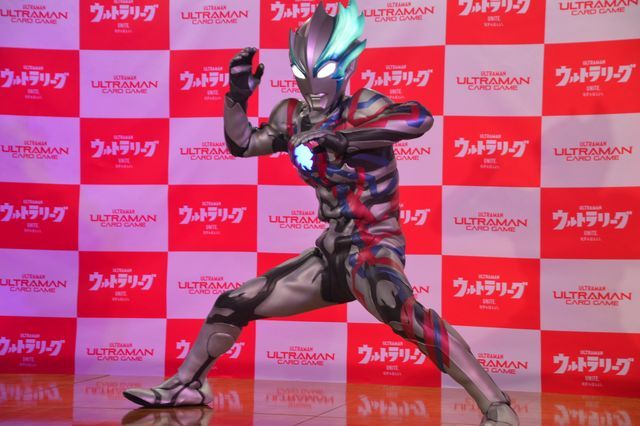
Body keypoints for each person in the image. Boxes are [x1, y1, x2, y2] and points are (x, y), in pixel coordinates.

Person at [123, 2, 519, 424]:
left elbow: (419, 118)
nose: (313, 85)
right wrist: (236, 98)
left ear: (346, 67)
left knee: (403, 314)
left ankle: (495, 403)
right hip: (331, 253)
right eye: (302, 73)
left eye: (324, 72)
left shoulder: (362, 109)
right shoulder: (293, 118)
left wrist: (345, 141)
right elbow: (243, 144)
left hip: (374, 248)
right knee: (234, 303)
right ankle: (187, 384)